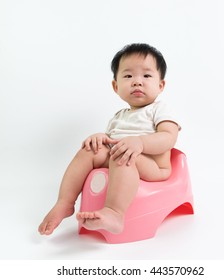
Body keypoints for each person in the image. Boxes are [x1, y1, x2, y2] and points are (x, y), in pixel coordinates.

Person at [38, 43, 180, 235]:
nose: (137, 82)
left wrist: (140, 142)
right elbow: (112, 141)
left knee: (122, 154)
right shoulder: (118, 116)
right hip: (121, 159)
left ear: (160, 85)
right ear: (116, 86)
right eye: (128, 76)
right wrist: (101, 138)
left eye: (146, 76)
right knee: (90, 150)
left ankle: (115, 213)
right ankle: (65, 202)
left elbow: (168, 137)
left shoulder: (159, 109)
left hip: (154, 166)